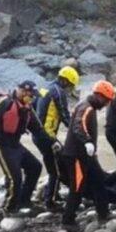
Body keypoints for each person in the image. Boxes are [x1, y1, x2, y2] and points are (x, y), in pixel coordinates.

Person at [0, 81, 59, 217]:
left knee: (35, 167)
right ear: (23, 91)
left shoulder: (27, 108)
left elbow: (38, 129)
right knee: (15, 178)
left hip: (15, 144)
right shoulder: (5, 102)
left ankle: (24, 201)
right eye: (31, 95)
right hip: (0, 144)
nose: (32, 98)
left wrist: (52, 142)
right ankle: (9, 210)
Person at [61, 80, 116, 232]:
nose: (106, 104)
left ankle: (103, 213)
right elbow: (79, 126)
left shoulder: (88, 106)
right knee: (77, 187)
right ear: (99, 96)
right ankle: (67, 221)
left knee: (99, 180)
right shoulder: (86, 108)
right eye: (106, 100)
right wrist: (87, 142)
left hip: (87, 155)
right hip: (76, 155)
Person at [33, 66, 79, 211]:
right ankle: (50, 201)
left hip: (38, 134)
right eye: (70, 85)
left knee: (56, 163)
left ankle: (53, 194)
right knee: (56, 169)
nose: (70, 89)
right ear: (65, 81)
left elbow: (33, 107)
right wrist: (77, 132)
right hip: (48, 136)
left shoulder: (45, 88)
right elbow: (65, 115)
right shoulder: (59, 92)